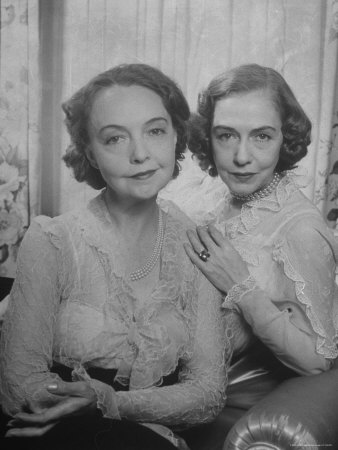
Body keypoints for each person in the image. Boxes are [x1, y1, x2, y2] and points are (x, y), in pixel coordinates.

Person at [0, 63, 235, 450]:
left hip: (143, 435)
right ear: (90, 153)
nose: (140, 154)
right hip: (52, 434)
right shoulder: (53, 240)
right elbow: (17, 386)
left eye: (155, 131)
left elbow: (207, 395)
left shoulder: (197, 244)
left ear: (176, 136)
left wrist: (110, 403)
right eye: (114, 139)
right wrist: (80, 409)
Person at [184, 63, 338, 410]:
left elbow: (319, 361)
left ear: (286, 138)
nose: (241, 157)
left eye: (262, 136)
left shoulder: (300, 230)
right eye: (226, 135)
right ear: (208, 138)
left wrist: (241, 285)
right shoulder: (211, 201)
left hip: (231, 406)